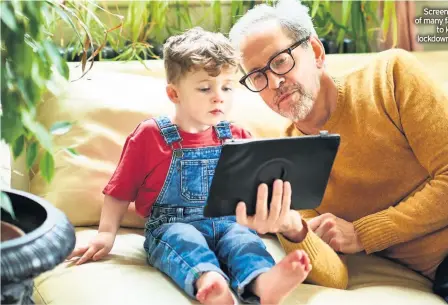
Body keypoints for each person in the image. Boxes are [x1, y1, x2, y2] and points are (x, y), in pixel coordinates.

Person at [227, 0, 448, 303]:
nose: (273, 83)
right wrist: (292, 228)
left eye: (280, 62)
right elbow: (335, 276)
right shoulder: (290, 164)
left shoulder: (391, 75)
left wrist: (361, 233)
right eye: (257, 76)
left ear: (315, 51)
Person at [66, 27, 311, 305]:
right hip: (172, 223)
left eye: (227, 87)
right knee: (184, 240)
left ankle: (263, 281)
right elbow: (120, 190)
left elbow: (254, 190)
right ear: (174, 93)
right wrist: (106, 234)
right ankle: (209, 281)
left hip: (230, 222)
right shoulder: (151, 135)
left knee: (244, 242)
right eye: (205, 88)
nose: (219, 96)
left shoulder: (237, 136)